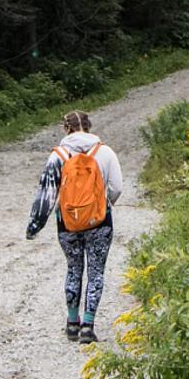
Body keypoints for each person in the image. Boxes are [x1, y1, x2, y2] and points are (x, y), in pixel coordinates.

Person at [24, 110, 123, 344]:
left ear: (65, 129)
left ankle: (71, 323)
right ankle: (88, 326)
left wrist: (34, 226)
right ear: (89, 126)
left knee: (74, 269)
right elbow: (117, 187)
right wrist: (103, 204)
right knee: (96, 272)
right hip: (99, 222)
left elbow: (46, 194)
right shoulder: (105, 152)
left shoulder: (58, 155)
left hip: (67, 222)